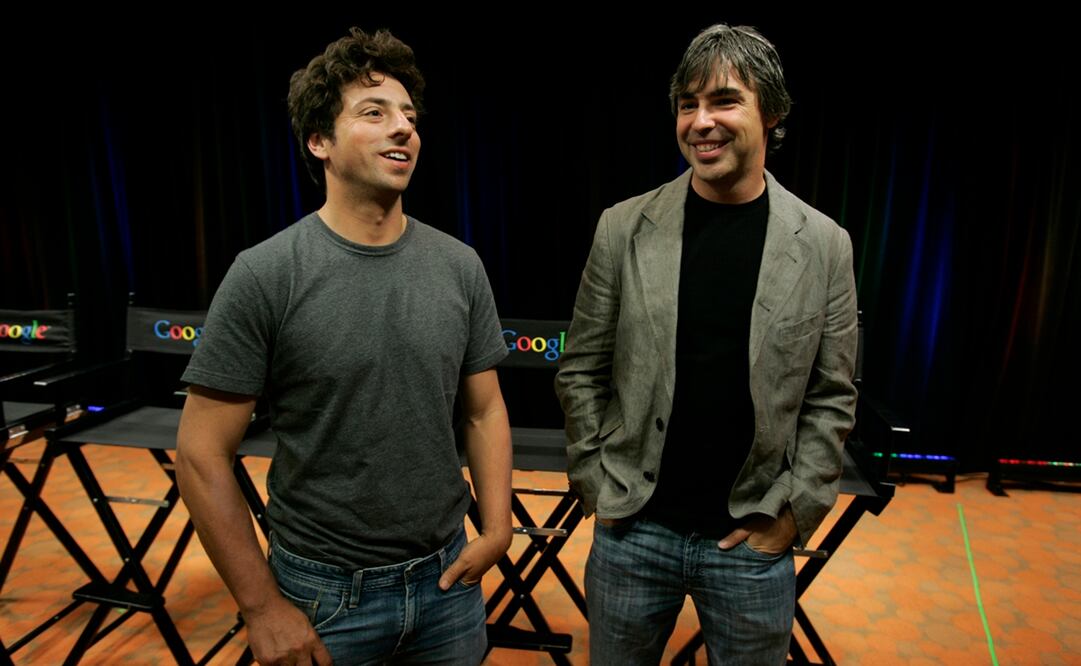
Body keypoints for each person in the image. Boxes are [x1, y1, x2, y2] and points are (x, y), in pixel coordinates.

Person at [176, 27, 512, 666]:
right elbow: (199, 454)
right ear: (319, 142)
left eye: (410, 116)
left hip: (448, 587)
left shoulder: (460, 265)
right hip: (324, 599)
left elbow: (483, 410)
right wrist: (262, 607)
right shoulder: (266, 273)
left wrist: (497, 528)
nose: (403, 128)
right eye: (374, 113)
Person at [554, 23, 858, 665]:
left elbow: (832, 396)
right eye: (687, 104)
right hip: (633, 532)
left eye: (723, 100)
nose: (700, 121)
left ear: (770, 113)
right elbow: (579, 368)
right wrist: (595, 483)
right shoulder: (624, 227)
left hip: (752, 542)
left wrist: (794, 515)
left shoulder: (826, 246)